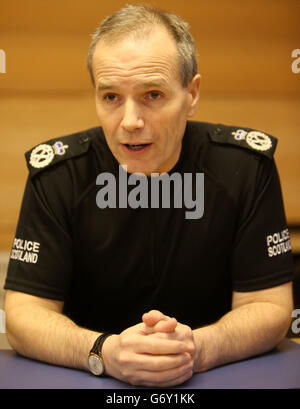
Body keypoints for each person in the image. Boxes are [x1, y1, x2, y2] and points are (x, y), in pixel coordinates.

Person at [4, 4, 294, 387]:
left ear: (191, 94)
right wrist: (103, 352)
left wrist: (196, 349)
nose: (129, 122)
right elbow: (24, 314)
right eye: (110, 97)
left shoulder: (246, 169)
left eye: (152, 95)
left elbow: (270, 306)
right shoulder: (59, 176)